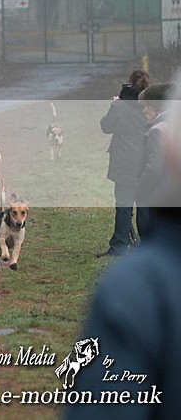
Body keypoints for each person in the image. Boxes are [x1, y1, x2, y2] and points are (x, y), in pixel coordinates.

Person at [62, 79, 181, 420]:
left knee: (123, 208)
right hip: (138, 168)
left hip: (132, 169)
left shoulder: (136, 286)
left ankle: (120, 240)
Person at [97, 70, 150, 257]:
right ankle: (147, 246)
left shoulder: (119, 105)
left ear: (129, 83)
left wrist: (115, 103)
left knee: (124, 204)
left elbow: (106, 126)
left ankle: (120, 245)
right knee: (144, 205)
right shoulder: (151, 104)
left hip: (125, 161)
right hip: (147, 159)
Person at [135, 82, 176, 237]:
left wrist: (139, 191)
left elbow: (153, 168)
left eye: (146, 106)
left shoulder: (157, 130)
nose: (144, 111)